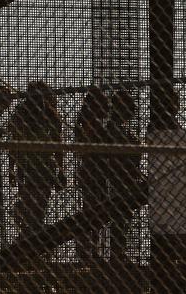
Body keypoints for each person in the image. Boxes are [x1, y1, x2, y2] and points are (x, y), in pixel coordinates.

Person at [9, 81, 66, 240]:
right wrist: (11, 168)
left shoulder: (49, 114)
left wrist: (61, 170)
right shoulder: (22, 113)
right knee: (30, 204)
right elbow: (14, 143)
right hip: (28, 165)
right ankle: (30, 236)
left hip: (41, 166)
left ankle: (30, 237)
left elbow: (57, 144)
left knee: (38, 206)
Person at [73, 87, 109, 260]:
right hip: (94, 171)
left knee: (91, 210)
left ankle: (87, 248)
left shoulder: (84, 122)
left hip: (90, 170)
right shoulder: (91, 123)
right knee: (93, 211)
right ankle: (88, 249)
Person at [107, 89, 141, 264]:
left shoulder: (117, 128)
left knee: (122, 215)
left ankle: (118, 250)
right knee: (119, 214)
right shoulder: (113, 129)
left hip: (123, 177)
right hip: (118, 178)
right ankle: (117, 251)